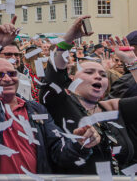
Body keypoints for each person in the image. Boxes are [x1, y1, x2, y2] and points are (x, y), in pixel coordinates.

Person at [0, 16, 99, 174]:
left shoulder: (36, 110)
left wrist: (79, 144)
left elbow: (58, 152)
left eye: (12, 73)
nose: (6, 79)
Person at [40, 21, 137, 174]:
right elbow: (52, 77)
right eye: (89, 72)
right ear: (72, 78)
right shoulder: (62, 103)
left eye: (103, 74)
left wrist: (132, 63)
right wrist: (67, 40)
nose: (98, 77)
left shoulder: (112, 107)